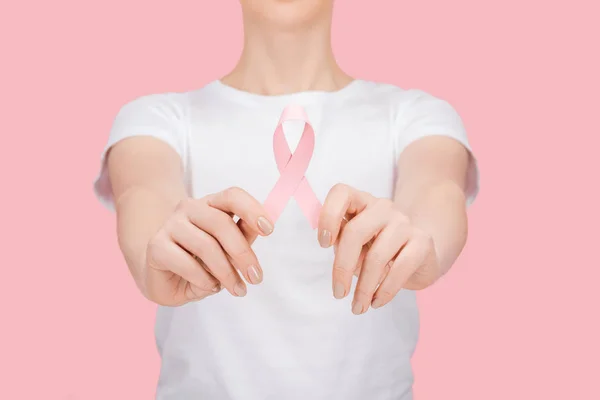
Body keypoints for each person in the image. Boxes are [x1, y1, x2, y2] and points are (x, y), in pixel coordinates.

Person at [93, 1, 479, 399]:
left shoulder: (417, 116)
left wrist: (422, 245)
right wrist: (156, 254)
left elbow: (437, 192)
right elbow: (144, 198)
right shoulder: (157, 119)